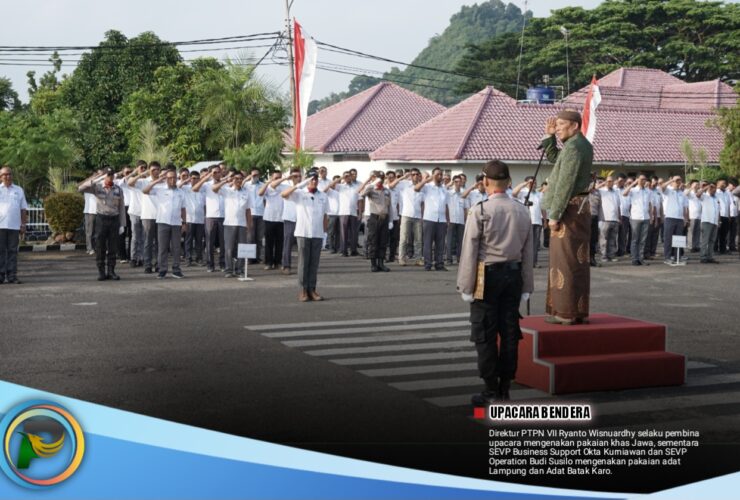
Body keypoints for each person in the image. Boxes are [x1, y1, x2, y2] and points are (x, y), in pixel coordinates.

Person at [457, 160, 533, 404]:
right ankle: (505, 388)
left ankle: (491, 390)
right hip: (514, 276)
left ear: (485, 182)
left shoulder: (480, 210)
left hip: (487, 276)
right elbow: (528, 252)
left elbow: (469, 251)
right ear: (509, 182)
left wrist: (466, 286)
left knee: (485, 333)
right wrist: (527, 286)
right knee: (509, 332)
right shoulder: (522, 210)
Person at [540, 110, 593, 325]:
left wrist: (554, 215)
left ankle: (565, 312)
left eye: (562, 124)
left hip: (568, 211)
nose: (558, 127)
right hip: (578, 209)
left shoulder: (573, 147)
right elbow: (556, 160)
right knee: (577, 260)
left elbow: (565, 184)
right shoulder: (580, 145)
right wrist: (550, 137)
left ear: (575, 126)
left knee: (565, 261)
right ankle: (577, 311)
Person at [281, 170, 329, 302]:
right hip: (303, 232)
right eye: (311, 179)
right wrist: (299, 185)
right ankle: (303, 290)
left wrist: (325, 234)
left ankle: (312, 289)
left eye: (316, 179)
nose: (314, 181)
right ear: (307, 180)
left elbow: (325, 215)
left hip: (317, 233)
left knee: (314, 263)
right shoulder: (299, 193)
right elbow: (283, 194)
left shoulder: (323, 195)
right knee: (303, 263)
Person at [78, 168, 126, 281]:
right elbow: (80, 188)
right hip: (101, 218)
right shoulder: (97, 187)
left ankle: (111, 271)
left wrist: (122, 224)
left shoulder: (118, 189)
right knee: (100, 246)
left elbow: (121, 207)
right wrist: (97, 178)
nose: (110, 177)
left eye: (111, 175)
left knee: (112, 247)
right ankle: (101, 271)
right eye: (108, 175)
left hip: (114, 219)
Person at [143, 167, 187, 279]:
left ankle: (176, 270)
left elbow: (183, 209)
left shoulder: (181, 192)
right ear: (166, 179)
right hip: (163, 222)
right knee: (162, 248)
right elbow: (145, 191)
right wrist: (157, 181)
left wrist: (184, 222)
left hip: (176, 223)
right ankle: (162, 269)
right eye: (170, 178)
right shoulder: (160, 189)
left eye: (174, 178)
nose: (172, 180)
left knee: (176, 248)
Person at [211, 171, 254, 278]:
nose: (238, 180)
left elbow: (248, 210)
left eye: (240, 178)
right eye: (236, 178)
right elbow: (214, 189)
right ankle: (229, 270)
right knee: (229, 248)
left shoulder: (247, 192)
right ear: (233, 179)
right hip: (229, 224)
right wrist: (225, 180)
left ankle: (239, 269)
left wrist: (249, 225)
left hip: (242, 224)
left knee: (241, 248)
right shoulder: (227, 190)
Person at [128, 161, 162, 274]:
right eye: (153, 170)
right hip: (148, 215)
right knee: (148, 242)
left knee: (159, 243)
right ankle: (148, 265)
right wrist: (142, 174)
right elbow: (130, 183)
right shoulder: (144, 181)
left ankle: (158, 264)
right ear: (149, 170)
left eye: (157, 169)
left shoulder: (163, 182)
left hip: (161, 216)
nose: (155, 172)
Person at [192, 165, 226, 273]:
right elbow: (195, 188)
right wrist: (206, 177)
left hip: (223, 216)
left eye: (218, 172)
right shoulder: (206, 185)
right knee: (209, 242)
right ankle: (210, 265)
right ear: (211, 173)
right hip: (211, 216)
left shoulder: (225, 184)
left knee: (223, 242)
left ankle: (222, 263)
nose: (217, 174)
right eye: (214, 172)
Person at [415, 167, 449, 271]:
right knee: (428, 243)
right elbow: (416, 188)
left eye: (441, 174)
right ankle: (428, 264)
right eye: (437, 174)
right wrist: (426, 180)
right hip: (429, 218)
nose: (440, 176)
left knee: (440, 244)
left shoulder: (444, 189)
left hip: (441, 220)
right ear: (433, 175)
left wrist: (448, 220)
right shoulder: (427, 187)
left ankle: (439, 264)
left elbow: (446, 205)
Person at [358, 171, 392, 272]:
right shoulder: (371, 189)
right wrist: (372, 183)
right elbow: (360, 194)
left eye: (382, 178)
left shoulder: (387, 191)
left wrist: (390, 220)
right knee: (373, 241)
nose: (380, 180)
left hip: (384, 218)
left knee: (383, 242)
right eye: (378, 178)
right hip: (374, 218)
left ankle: (381, 263)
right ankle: (373, 264)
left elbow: (390, 207)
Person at [0, 166, 28, 284]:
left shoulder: (18, 190)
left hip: (14, 226)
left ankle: (12, 276)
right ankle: (1, 276)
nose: (8, 176)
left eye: (9, 174)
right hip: (1, 226)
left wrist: (23, 225)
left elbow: (23, 209)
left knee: (13, 251)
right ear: (1, 177)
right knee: (0, 251)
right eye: (5, 174)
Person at [389, 169, 423, 266]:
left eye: (417, 174)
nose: (415, 176)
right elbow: (391, 186)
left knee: (418, 239)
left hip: (417, 215)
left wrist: (422, 215)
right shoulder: (404, 184)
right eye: (413, 174)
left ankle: (418, 259)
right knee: (403, 238)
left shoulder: (422, 186)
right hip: (406, 214)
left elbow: (423, 203)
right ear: (410, 176)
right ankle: (401, 258)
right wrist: (403, 177)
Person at [512, 176, 545, 268]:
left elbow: (542, 208)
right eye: (531, 183)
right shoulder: (523, 192)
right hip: (526, 221)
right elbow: (514, 193)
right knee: (524, 243)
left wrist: (544, 220)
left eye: (535, 183)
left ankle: (534, 262)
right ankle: (523, 261)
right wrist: (525, 184)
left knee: (535, 244)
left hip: (537, 221)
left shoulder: (539, 194)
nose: (533, 184)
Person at [623, 174, 653, 266]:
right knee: (635, 239)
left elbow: (650, 204)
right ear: (638, 180)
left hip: (646, 217)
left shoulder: (648, 191)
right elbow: (624, 193)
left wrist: (651, 216)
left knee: (643, 240)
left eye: (644, 179)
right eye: (641, 179)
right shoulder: (633, 190)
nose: (643, 181)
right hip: (636, 217)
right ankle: (634, 259)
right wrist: (633, 183)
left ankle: (641, 258)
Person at [658, 176, 689, 264]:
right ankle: (667, 257)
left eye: (679, 181)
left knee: (678, 239)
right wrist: (672, 180)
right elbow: (662, 187)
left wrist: (685, 219)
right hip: (670, 217)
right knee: (668, 238)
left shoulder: (682, 194)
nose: (678, 182)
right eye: (676, 181)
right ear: (672, 182)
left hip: (680, 219)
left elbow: (684, 207)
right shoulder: (669, 190)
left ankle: (677, 257)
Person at [179, 170, 206, 266]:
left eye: (197, 178)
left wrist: (205, 216)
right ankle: (188, 259)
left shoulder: (203, 189)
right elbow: (177, 186)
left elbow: (205, 205)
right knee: (188, 240)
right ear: (190, 179)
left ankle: (199, 258)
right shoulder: (185, 188)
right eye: (193, 178)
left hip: (200, 219)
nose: (195, 180)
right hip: (189, 219)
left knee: (199, 240)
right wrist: (185, 181)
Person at [259, 171, 285, 270]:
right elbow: (260, 193)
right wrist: (268, 182)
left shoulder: (284, 186)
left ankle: (278, 262)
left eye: (279, 177)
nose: (278, 180)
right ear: (271, 178)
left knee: (279, 242)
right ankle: (268, 262)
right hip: (269, 218)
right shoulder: (268, 187)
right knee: (269, 242)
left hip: (281, 218)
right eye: (276, 178)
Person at [596, 176, 621, 262]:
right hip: (604, 218)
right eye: (608, 181)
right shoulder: (601, 191)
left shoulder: (616, 192)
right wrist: (604, 183)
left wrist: (619, 217)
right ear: (606, 182)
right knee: (604, 239)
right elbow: (594, 188)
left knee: (612, 239)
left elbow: (618, 206)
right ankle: (604, 256)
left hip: (615, 219)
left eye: (611, 181)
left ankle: (611, 255)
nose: (610, 183)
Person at [697, 182, 720, 264]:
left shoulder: (716, 198)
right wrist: (706, 187)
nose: (713, 189)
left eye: (714, 188)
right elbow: (698, 194)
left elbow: (718, 210)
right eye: (712, 188)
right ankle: (703, 257)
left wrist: (718, 221)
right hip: (707, 221)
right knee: (705, 240)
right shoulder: (704, 196)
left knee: (712, 240)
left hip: (715, 222)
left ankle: (710, 257)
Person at [446, 175, 466, 266]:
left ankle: (459, 258)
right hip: (451, 219)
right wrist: (447, 219)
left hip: (461, 220)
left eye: (459, 181)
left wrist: (465, 220)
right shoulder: (449, 193)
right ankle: (449, 259)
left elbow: (465, 208)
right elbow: (446, 206)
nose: (458, 183)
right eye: (456, 182)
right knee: (450, 240)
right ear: (453, 182)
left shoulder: (464, 193)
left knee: (460, 240)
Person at [246, 168, 266, 264]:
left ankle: (258, 257)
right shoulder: (246, 185)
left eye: (257, 175)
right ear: (250, 175)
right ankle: (250, 258)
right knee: (250, 237)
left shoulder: (263, 185)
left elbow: (265, 199)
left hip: (261, 213)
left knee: (259, 237)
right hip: (250, 213)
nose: (255, 177)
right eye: (253, 175)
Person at [114, 166, 133, 263]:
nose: (129, 174)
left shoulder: (134, 181)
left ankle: (130, 255)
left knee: (132, 233)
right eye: (127, 172)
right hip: (123, 208)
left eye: (130, 172)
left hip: (133, 208)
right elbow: (111, 176)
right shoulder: (119, 182)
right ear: (123, 173)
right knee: (122, 232)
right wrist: (120, 173)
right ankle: (122, 256)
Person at [385, 170, 401, 262]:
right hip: (386, 217)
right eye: (389, 177)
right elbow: (390, 186)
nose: (391, 179)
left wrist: (398, 216)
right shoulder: (385, 188)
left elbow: (398, 204)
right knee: (385, 238)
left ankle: (392, 256)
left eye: (392, 177)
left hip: (395, 217)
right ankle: (384, 256)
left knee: (394, 238)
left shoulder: (397, 190)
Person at [685, 180, 702, 253]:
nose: (696, 186)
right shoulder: (690, 193)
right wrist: (691, 188)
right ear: (691, 185)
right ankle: (690, 246)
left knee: (698, 232)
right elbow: (685, 194)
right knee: (691, 231)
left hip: (699, 216)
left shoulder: (699, 193)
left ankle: (696, 246)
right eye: (695, 184)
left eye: (697, 184)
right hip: (692, 215)